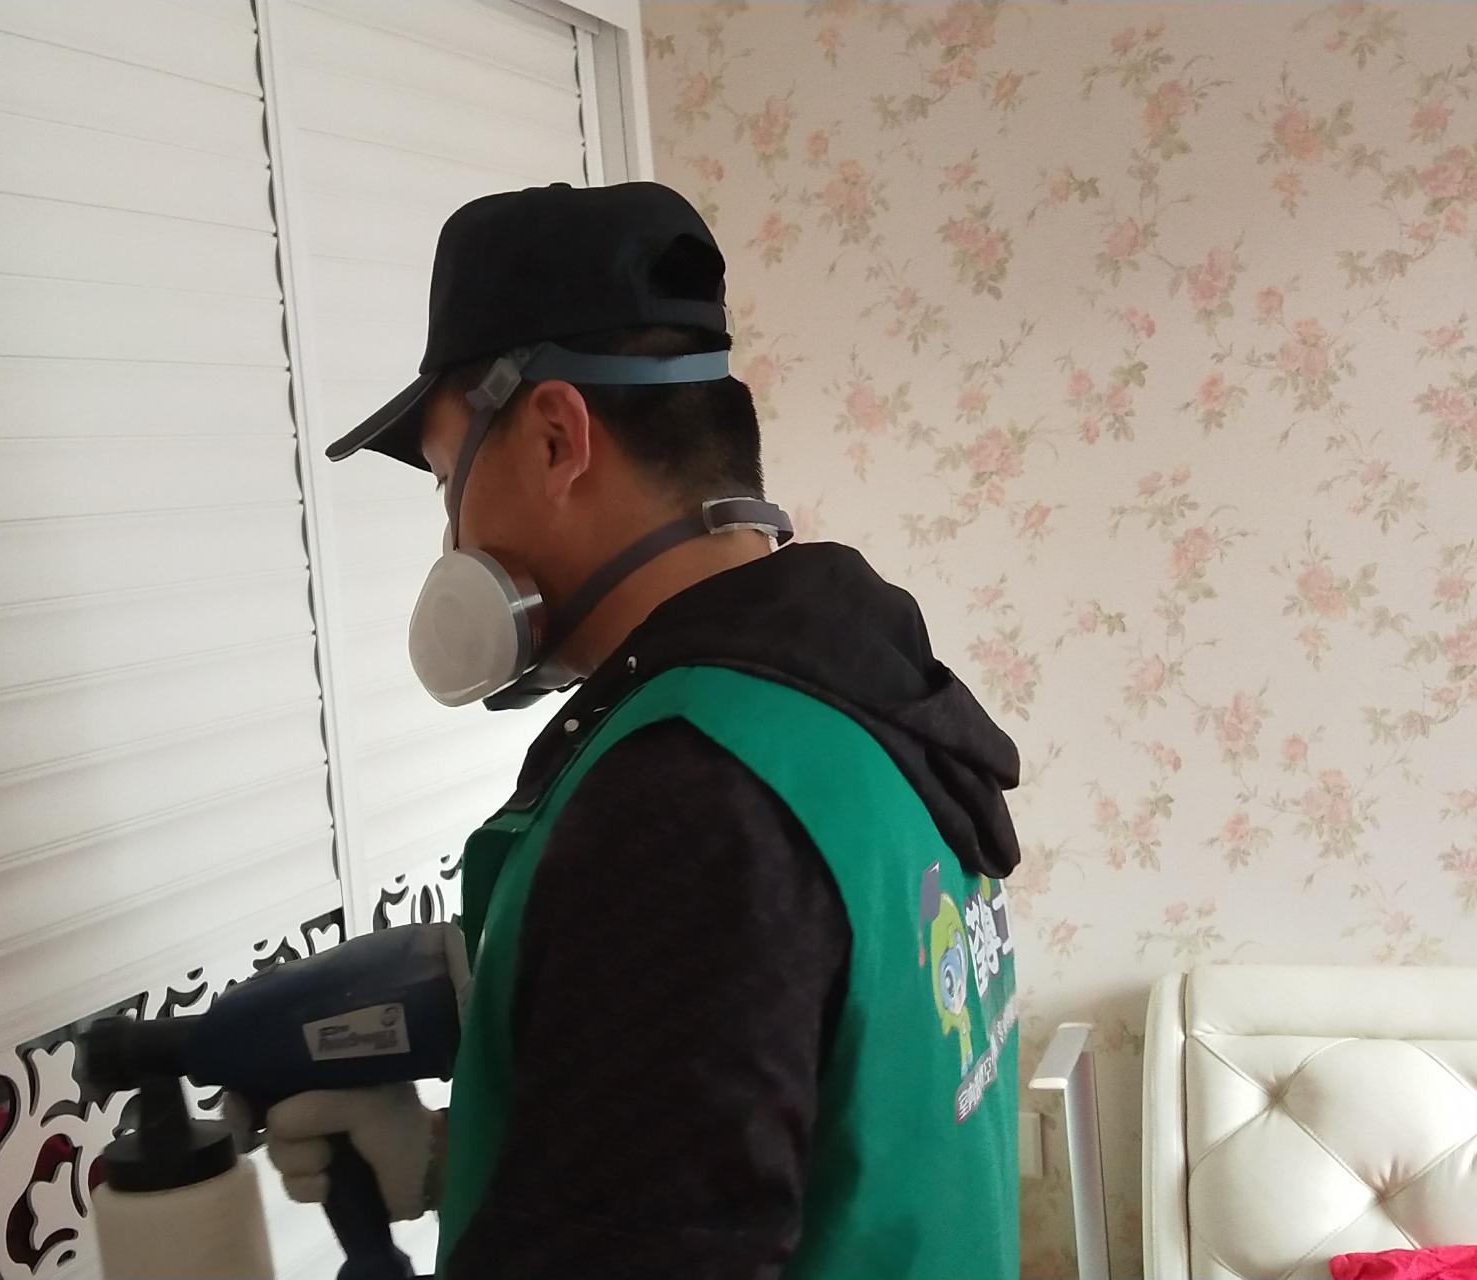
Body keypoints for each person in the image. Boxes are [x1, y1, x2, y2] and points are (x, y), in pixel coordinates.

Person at [240, 182, 1025, 1278]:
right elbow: (791, 1135)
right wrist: (464, 1158)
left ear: (556, 438)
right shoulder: (852, 695)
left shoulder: (688, 800)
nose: (453, 538)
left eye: (448, 477)